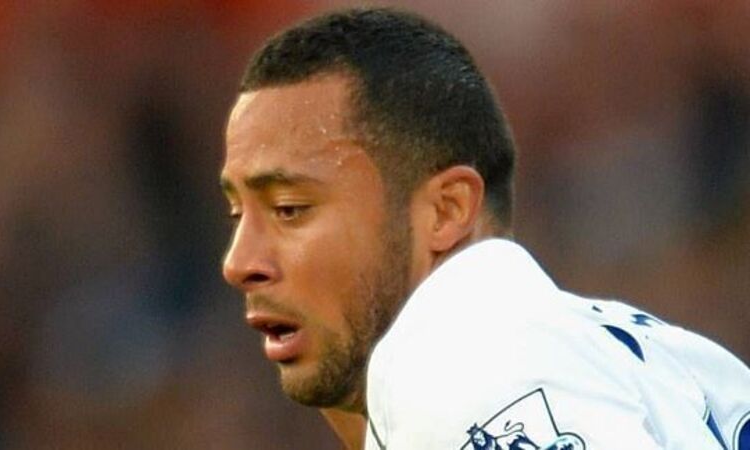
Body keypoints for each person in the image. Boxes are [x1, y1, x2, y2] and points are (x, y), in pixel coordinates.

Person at [219, 7, 750, 450]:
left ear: (446, 210)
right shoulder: (676, 362)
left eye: (289, 208)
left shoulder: (459, 360)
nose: (238, 263)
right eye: (237, 215)